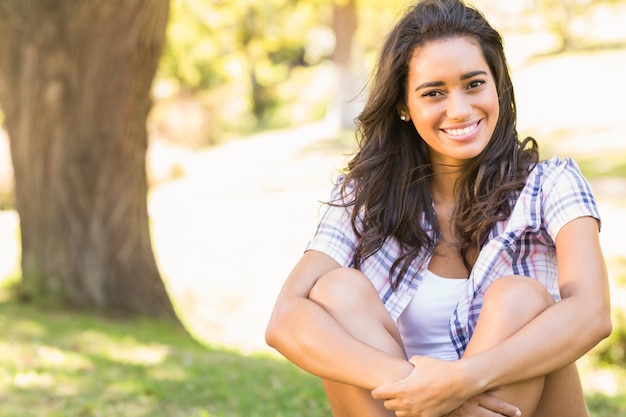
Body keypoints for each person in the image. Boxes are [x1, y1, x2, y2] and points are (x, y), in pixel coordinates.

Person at [265, 0, 612, 415]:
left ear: (497, 84)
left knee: (518, 297)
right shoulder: (364, 197)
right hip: (405, 408)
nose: (460, 109)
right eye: (434, 93)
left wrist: (461, 382)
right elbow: (285, 319)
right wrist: (432, 393)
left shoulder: (552, 184)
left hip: (519, 407)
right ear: (403, 106)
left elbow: (592, 313)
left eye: (473, 84)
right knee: (335, 291)